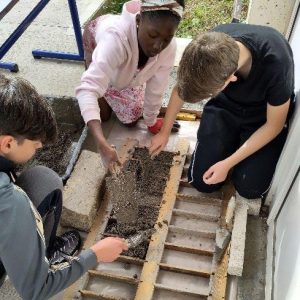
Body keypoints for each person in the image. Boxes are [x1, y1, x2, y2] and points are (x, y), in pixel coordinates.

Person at [0, 75, 127, 300]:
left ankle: (38, 254)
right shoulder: (8, 201)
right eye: (36, 145)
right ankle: (40, 262)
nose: (38, 149)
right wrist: (94, 255)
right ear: (7, 143)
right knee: (43, 184)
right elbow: (35, 291)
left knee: (43, 180)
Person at [150, 23, 295, 200]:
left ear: (231, 78)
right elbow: (182, 88)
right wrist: (164, 132)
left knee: (250, 189)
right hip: (225, 106)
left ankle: (236, 148)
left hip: (263, 115)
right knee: (202, 182)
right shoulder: (205, 46)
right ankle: (230, 142)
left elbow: (274, 125)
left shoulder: (276, 63)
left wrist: (227, 163)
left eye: (210, 92)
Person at [76, 0, 184, 168]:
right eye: (153, 35)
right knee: (102, 116)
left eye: (167, 38)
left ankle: (113, 84)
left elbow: (157, 87)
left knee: (131, 119)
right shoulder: (114, 40)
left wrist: (151, 121)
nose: (158, 46)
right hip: (97, 37)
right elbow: (87, 89)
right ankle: (105, 83)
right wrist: (101, 142)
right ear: (139, 20)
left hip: (124, 67)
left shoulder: (168, 49)